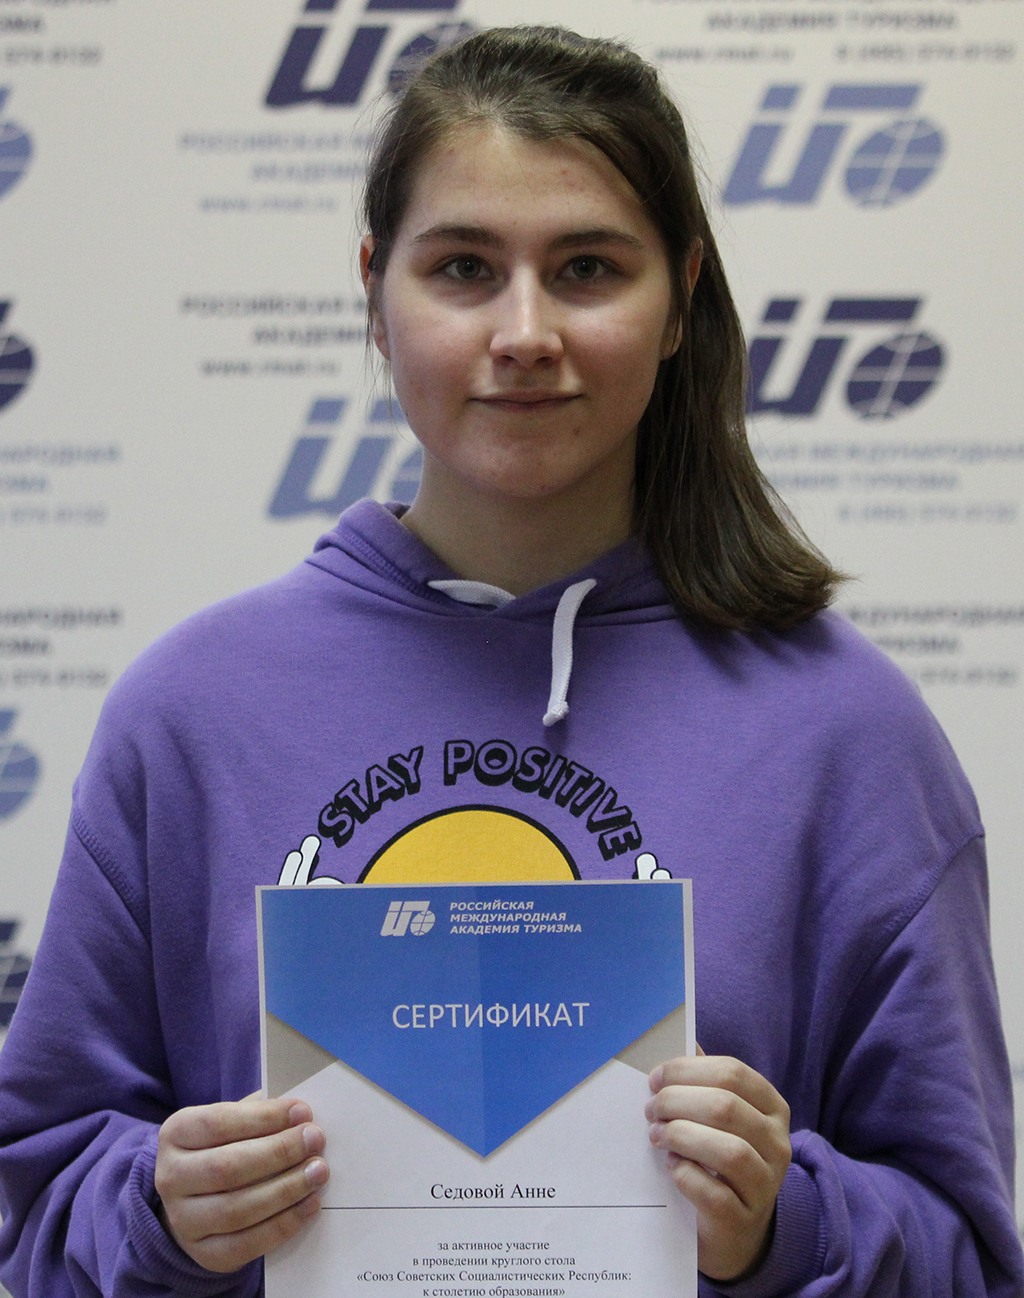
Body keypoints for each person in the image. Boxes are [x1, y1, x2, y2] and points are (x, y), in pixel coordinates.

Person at [0, 24, 1021, 1298]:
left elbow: (968, 1252)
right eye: (464, 268)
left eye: (587, 267)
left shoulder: (846, 733)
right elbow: (35, 1201)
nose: (525, 330)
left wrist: (785, 1227)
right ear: (376, 290)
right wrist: (159, 1212)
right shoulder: (191, 714)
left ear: (679, 297)